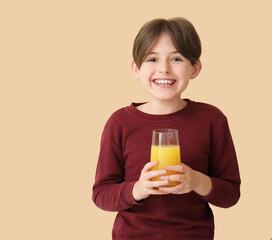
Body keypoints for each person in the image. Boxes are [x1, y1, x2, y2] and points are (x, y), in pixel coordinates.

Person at [92, 17, 241, 240]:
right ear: (136, 68)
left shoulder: (212, 119)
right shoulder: (119, 123)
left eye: (177, 59)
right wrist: (139, 189)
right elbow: (102, 194)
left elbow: (230, 194)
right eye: (152, 59)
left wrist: (196, 181)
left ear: (195, 68)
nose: (164, 69)